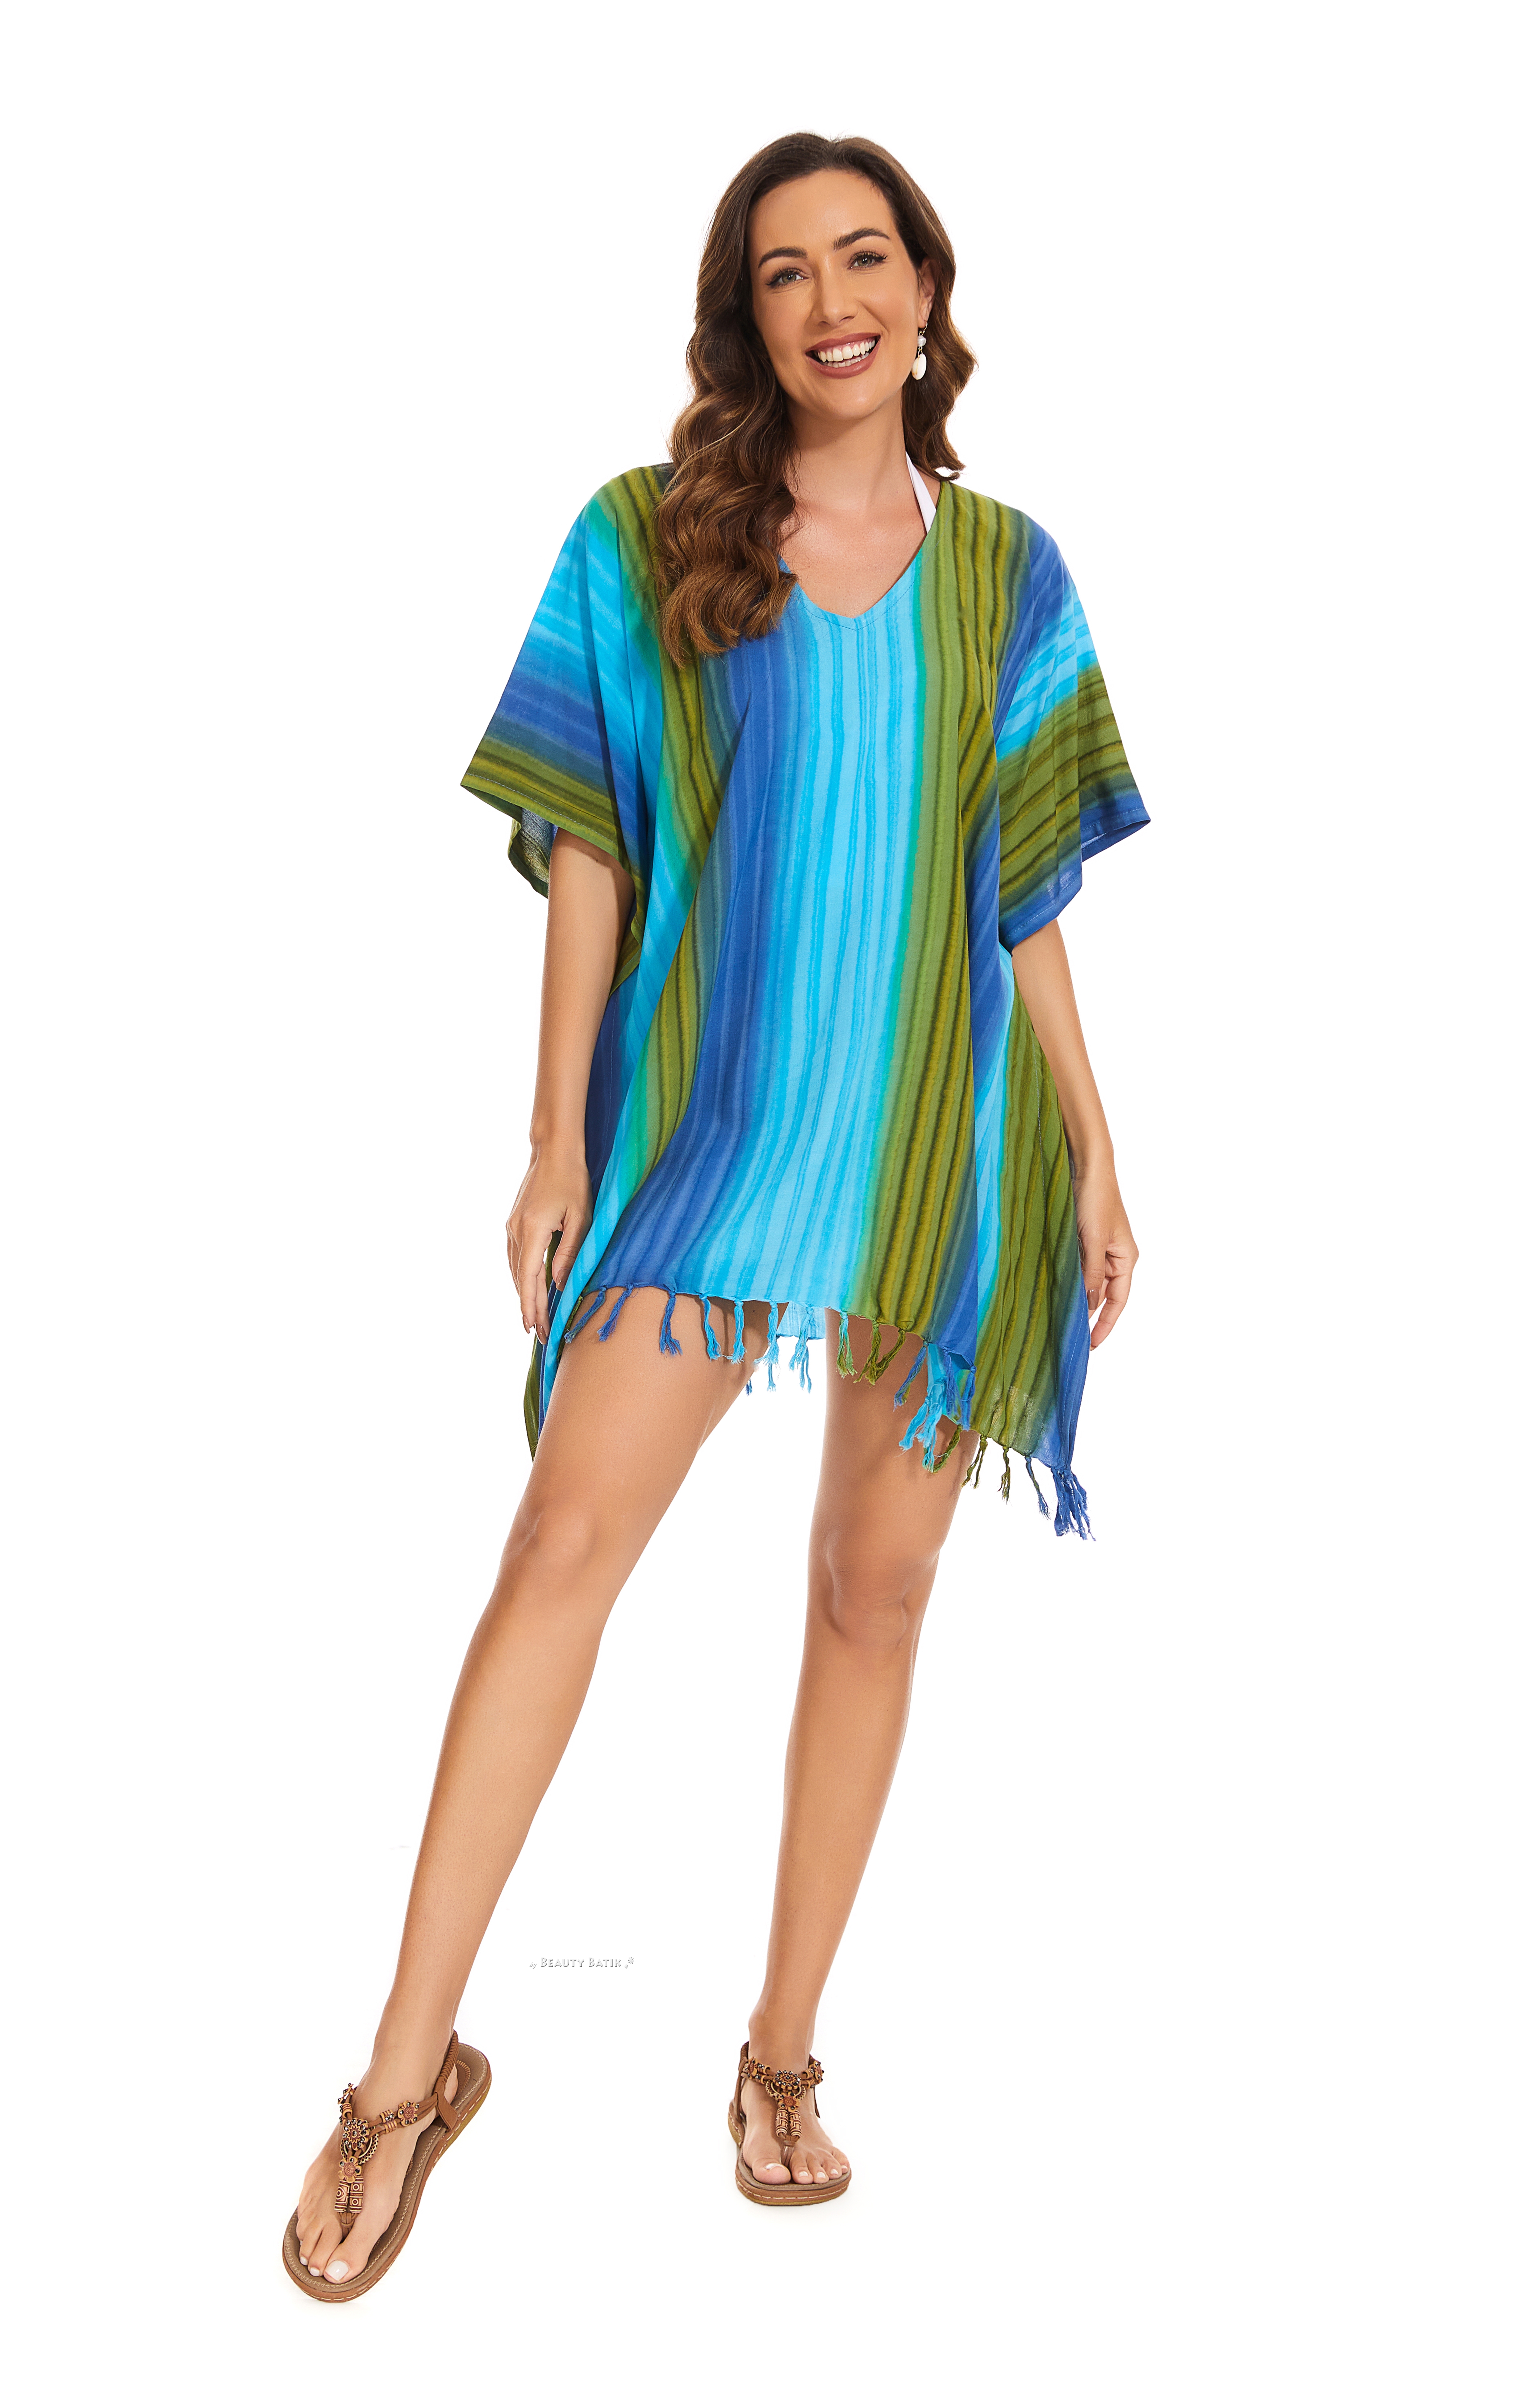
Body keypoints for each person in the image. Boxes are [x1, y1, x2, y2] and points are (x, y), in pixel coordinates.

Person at [284, 129, 1149, 2297]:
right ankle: (401, 2077)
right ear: (746, 318)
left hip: (938, 1152)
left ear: (926, 293)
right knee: (558, 1550)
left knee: (875, 1594)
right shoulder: (647, 537)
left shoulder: (1014, 573)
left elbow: (1023, 892)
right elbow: (585, 844)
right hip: (709, 1138)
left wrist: (1095, 1146)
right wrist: (554, 1139)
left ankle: (778, 2061)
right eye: (785, 270)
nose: (831, 298)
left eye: (865, 256)